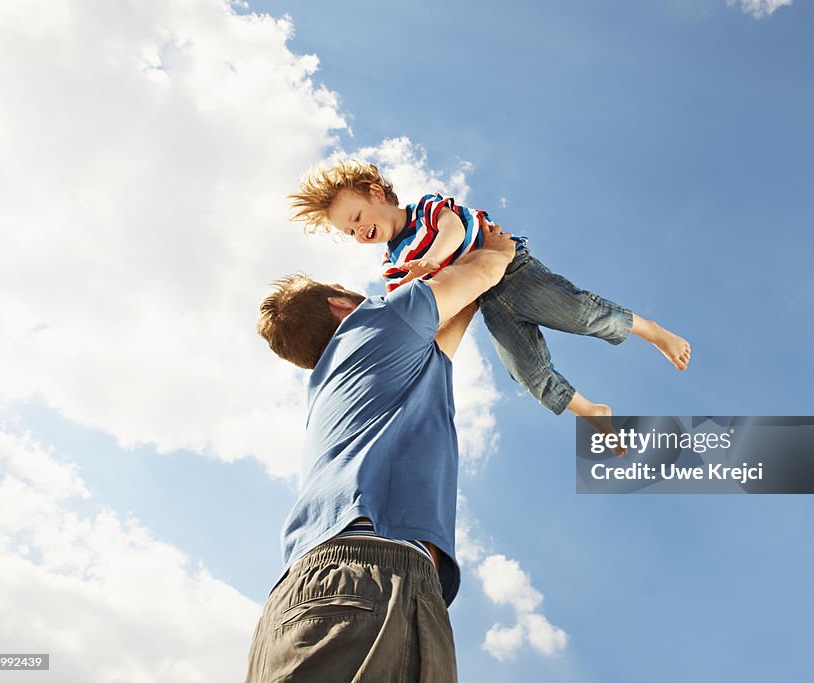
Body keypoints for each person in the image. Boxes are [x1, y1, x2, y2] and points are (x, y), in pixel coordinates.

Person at [244, 221, 516, 682]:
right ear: (340, 305)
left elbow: (451, 324)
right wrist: (496, 246)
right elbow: (489, 266)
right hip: (369, 580)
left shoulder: (342, 379)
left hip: (295, 606)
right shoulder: (374, 320)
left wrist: (455, 286)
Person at [288, 160, 692, 432]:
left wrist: (433, 260)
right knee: (526, 371)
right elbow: (419, 316)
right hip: (486, 300)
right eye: (350, 232)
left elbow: (456, 231)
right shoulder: (394, 267)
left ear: (376, 193)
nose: (359, 232)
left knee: (578, 313)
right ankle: (591, 411)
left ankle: (652, 331)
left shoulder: (426, 209)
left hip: (511, 269)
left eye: (357, 219)